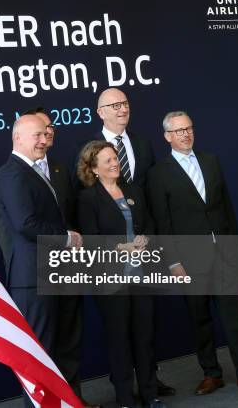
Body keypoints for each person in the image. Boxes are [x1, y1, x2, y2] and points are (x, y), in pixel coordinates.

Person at [146, 111, 238, 395]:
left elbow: (226, 207)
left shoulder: (211, 161)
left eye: (189, 128)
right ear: (167, 136)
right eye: (179, 131)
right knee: (200, 319)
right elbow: (162, 222)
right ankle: (211, 373)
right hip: (188, 261)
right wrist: (172, 262)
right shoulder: (158, 174)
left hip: (223, 253)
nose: (186, 134)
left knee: (235, 314)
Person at [0, 114, 99, 408]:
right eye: (37, 135)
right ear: (18, 138)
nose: (43, 141)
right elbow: (26, 224)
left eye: (46, 134)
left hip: (58, 275)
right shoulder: (11, 173)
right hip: (33, 281)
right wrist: (68, 238)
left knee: (67, 351)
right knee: (40, 361)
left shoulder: (38, 171)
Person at [74, 89, 174, 397]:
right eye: (107, 160)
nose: (114, 163)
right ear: (93, 167)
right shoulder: (88, 198)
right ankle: (125, 397)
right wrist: (121, 247)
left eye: (115, 158)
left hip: (141, 272)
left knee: (145, 335)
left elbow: (148, 219)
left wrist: (145, 239)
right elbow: (90, 240)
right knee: (119, 337)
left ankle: (149, 392)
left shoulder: (133, 185)